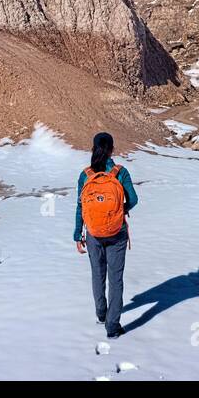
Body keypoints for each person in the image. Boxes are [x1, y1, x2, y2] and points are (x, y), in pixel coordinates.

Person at [74, 132, 138, 339]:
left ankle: (101, 313)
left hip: (93, 232)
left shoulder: (86, 174)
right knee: (115, 279)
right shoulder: (120, 172)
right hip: (116, 232)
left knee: (97, 274)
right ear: (112, 149)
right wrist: (120, 209)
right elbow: (134, 199)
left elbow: (80, 206)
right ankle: (112, 326)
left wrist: (78, 234)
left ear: (93, 148)